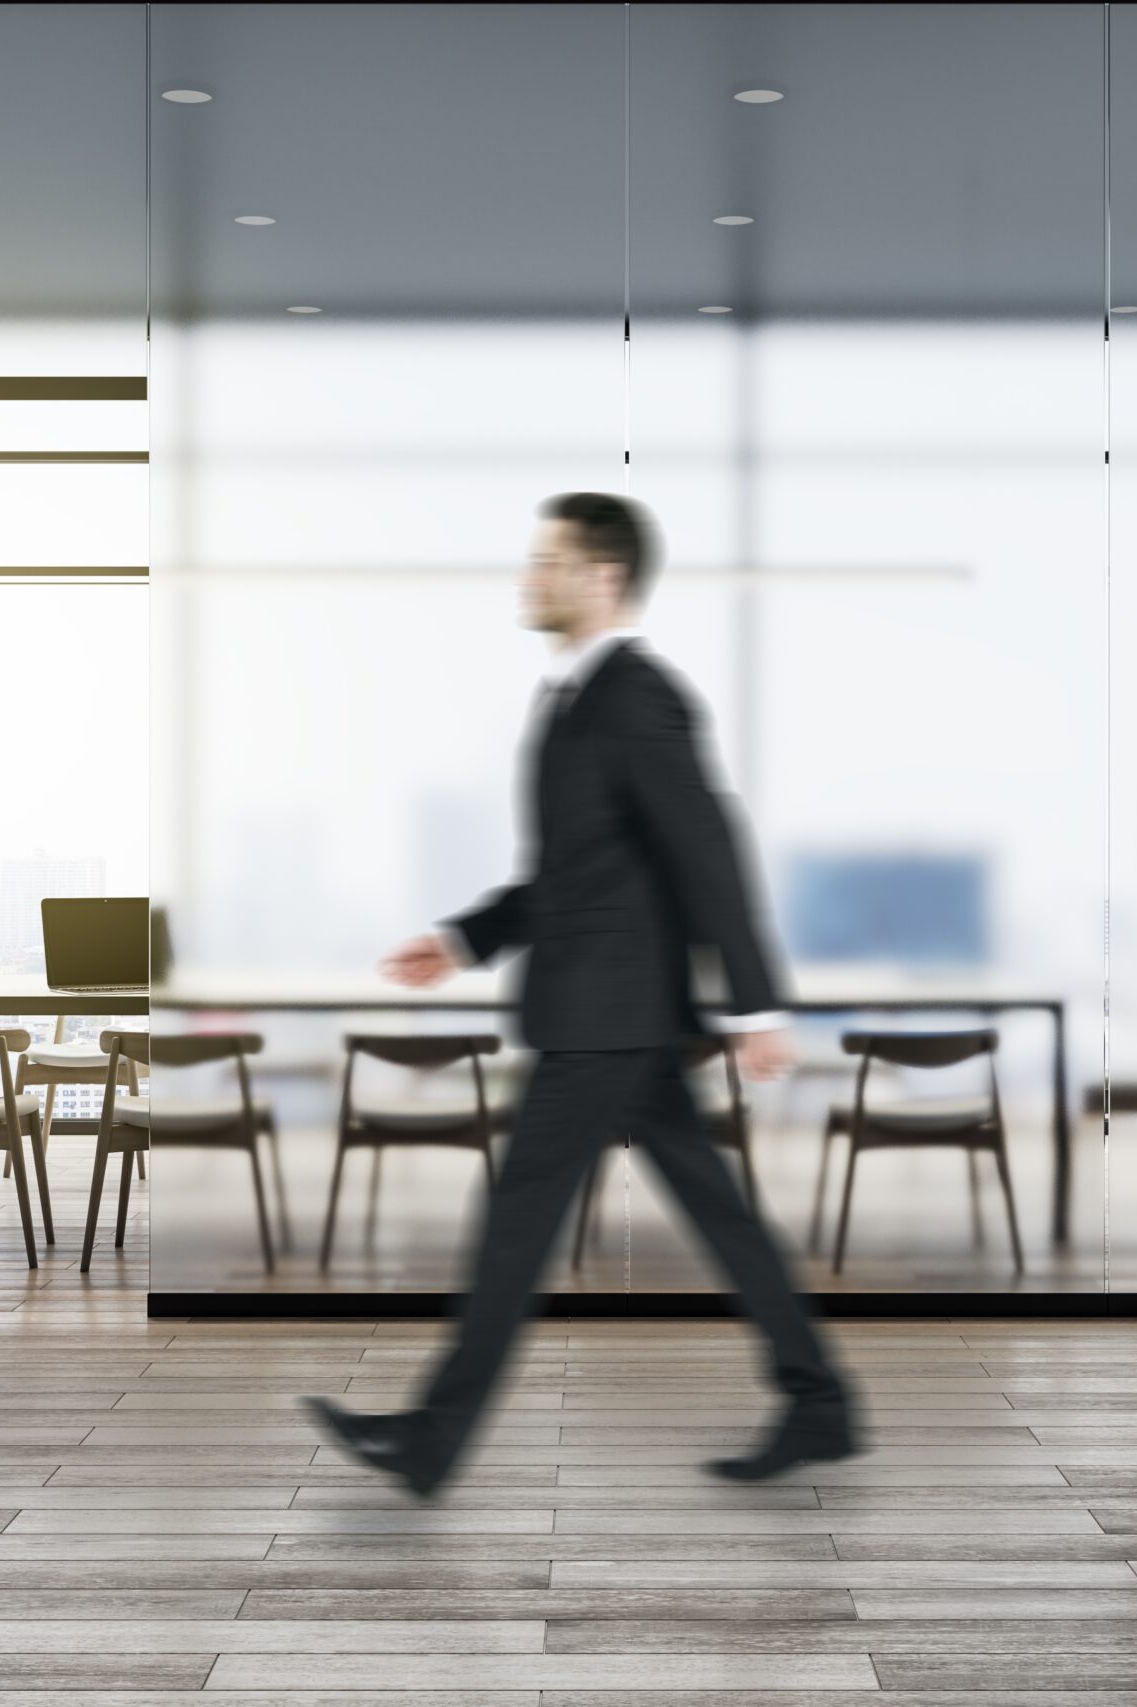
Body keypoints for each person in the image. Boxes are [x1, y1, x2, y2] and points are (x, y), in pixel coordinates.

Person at [302, 492, 859, 1498]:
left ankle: (432, 1441)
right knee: (716, 1211)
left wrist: (756, 1005)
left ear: (601, 577)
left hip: (608, 1017)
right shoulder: (573, 703)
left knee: (518, 1218)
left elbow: (708, 850)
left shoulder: (638, 697)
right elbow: (576, 873)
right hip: (616, 1014)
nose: (530, 576)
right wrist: (467, 936)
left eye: (548, 560)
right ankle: (820, 1402)